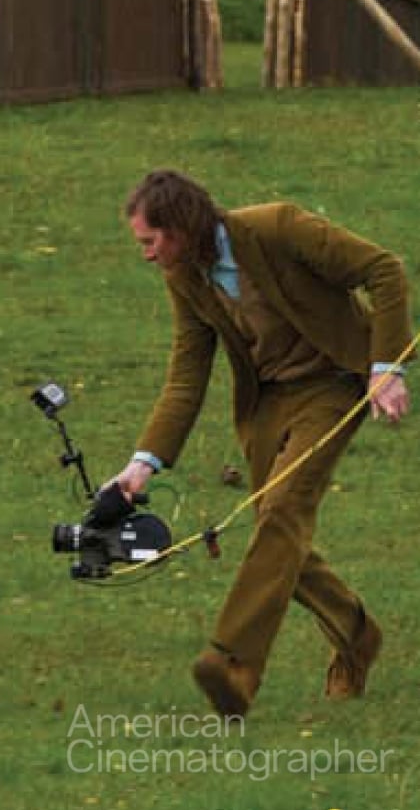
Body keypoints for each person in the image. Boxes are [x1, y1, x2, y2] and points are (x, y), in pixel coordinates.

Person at [113, 169, 412, 717]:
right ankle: (356, 634)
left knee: (282, 511)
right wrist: (143, 464)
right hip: (269, 401)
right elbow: (187, 374)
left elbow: (384, 270)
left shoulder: (278, 228)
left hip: (333, 381)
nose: (147, 255)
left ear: (180, 228)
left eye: (150, 241)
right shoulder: (184, 276)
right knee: (278, 533)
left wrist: (386, 367)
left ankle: (233, 664)